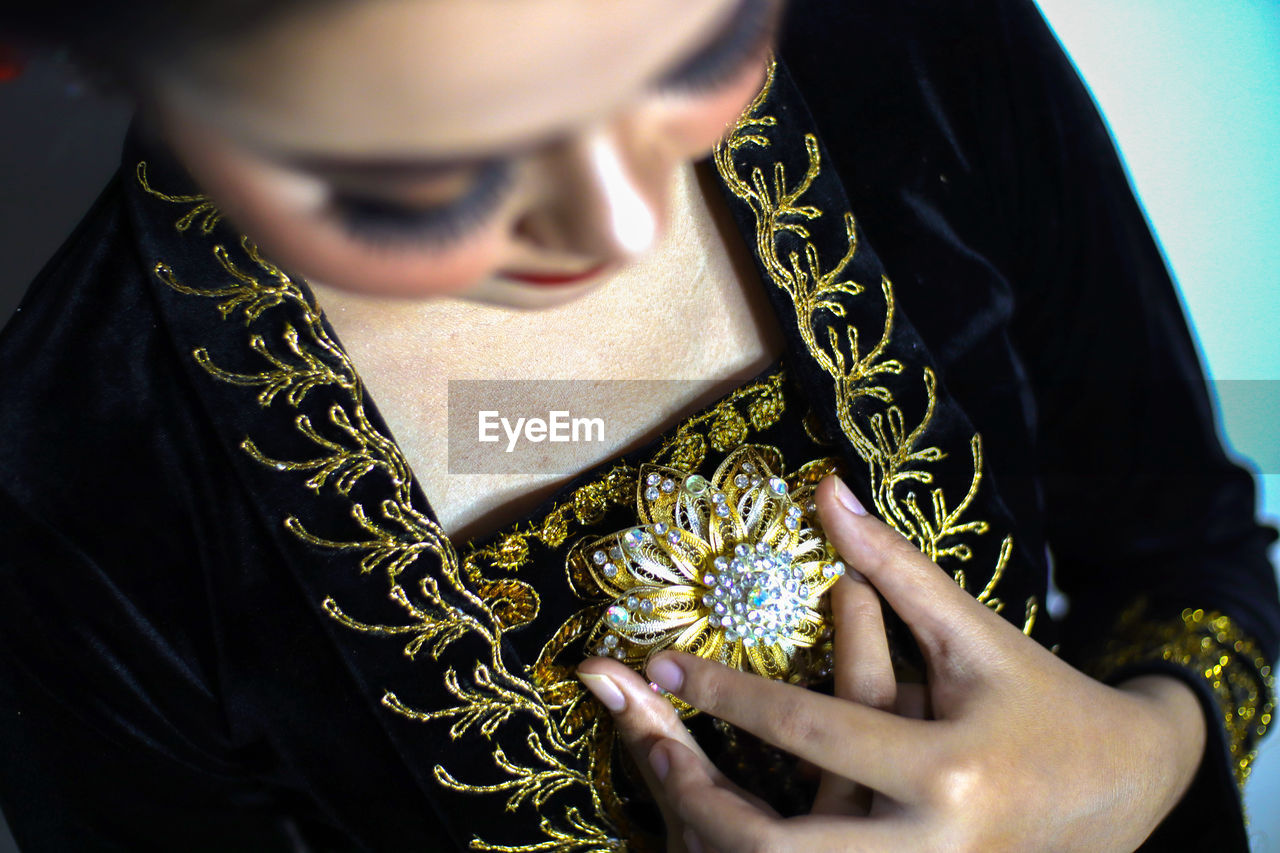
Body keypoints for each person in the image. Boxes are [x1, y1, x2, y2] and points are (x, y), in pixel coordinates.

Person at [0, 0, 1275, 850]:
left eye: (697, 55)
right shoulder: (73, 484)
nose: (614, 221)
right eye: (418, 177)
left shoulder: (914, 38)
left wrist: (1147, 757)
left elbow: (1186, 541)